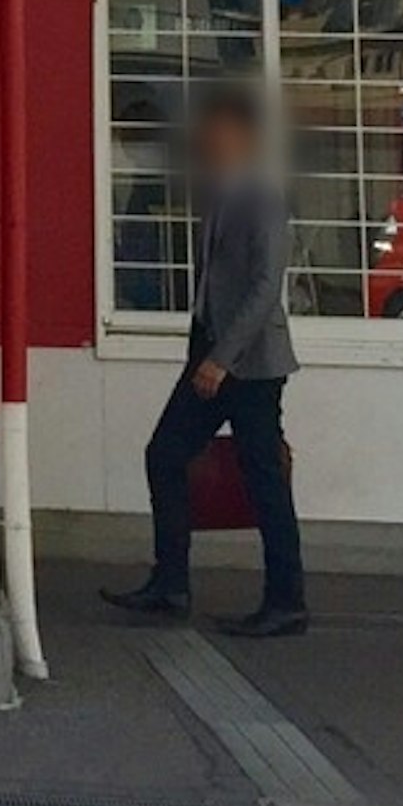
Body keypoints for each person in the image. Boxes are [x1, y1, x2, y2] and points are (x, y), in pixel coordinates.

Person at [104, 87, 307, 639]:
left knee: (262, 477)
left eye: (218, 131)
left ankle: (286, 600)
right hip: (210, 350)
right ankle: (170, 583)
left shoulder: (261, 197)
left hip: (251, 363)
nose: (208, 140)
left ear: (243, 137)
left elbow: (266, 287)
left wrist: (221, 358)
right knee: (165, 453)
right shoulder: (215, 191)